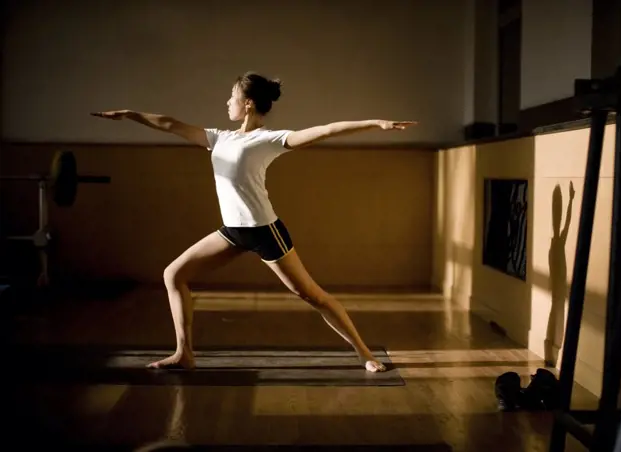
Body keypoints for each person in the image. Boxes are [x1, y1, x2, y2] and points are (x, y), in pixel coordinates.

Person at [91, 71, 417, 372]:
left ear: (247, 103)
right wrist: (130, 115)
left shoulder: (268, 139)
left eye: (231, 97)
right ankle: (184, 353)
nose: (226, 102)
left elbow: (324, 130)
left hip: (265, 231)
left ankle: (364, 353)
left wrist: (375, 123)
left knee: (311, 295)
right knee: (173, 274)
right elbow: (169, 123)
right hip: (232, 232)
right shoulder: (218, 138)